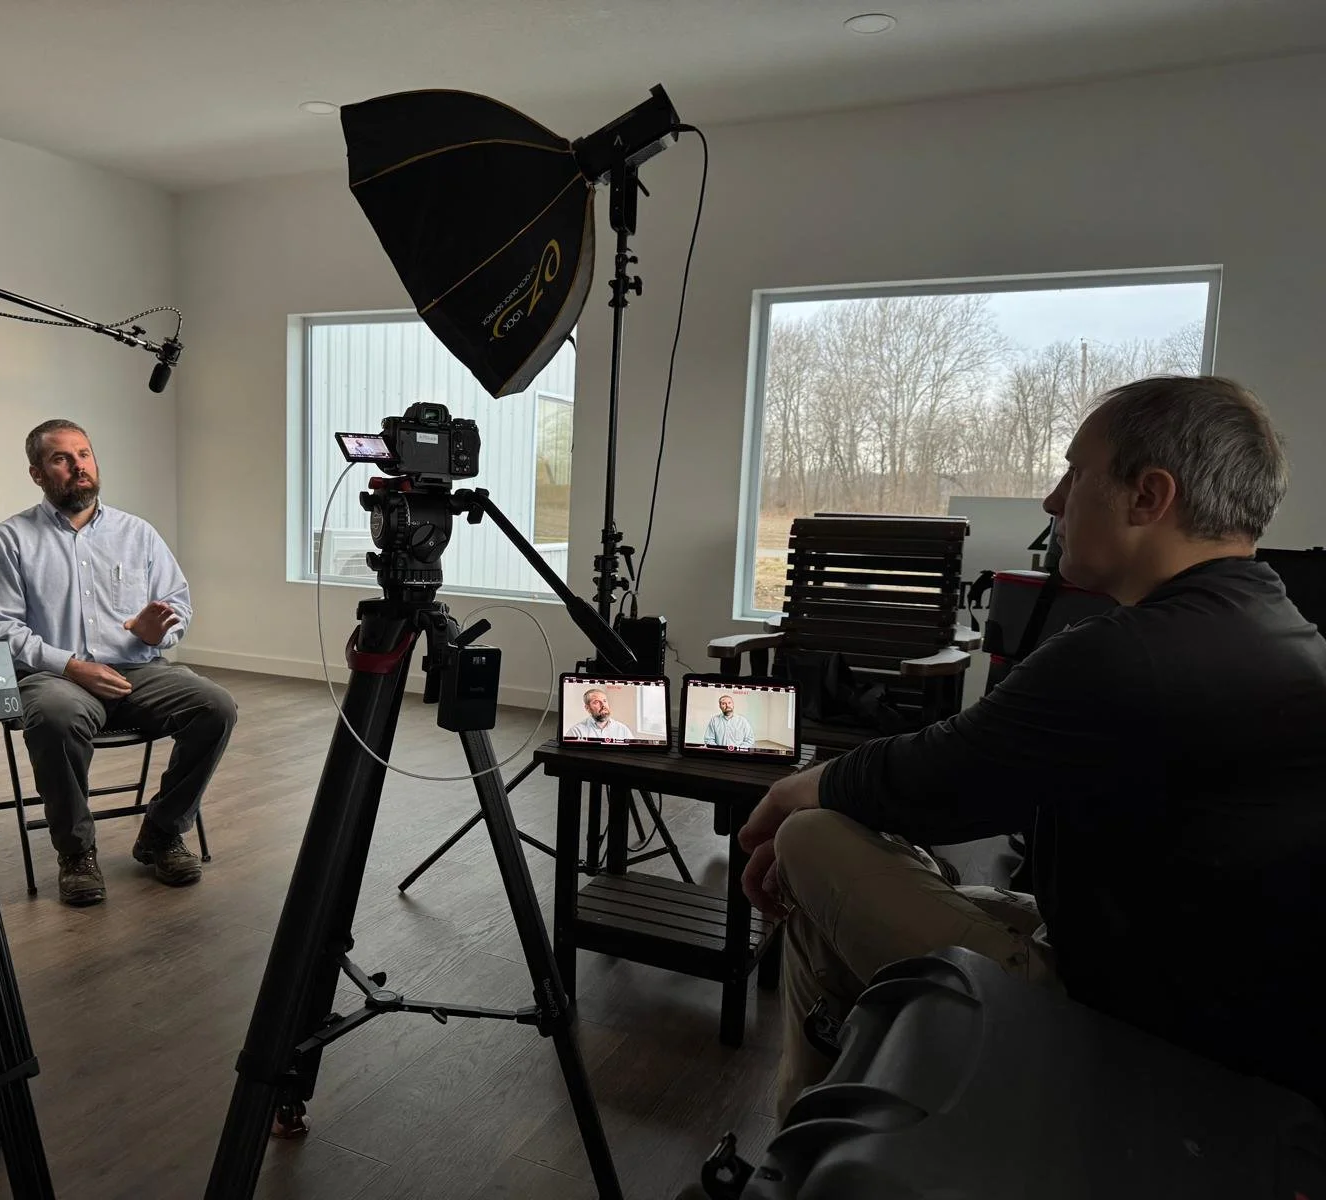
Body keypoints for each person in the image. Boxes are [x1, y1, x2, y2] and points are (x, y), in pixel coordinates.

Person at [739, 375, 1326, 1119]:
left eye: (1075, 474)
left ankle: (810, 1135)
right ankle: (828, 1134)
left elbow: (933, 782)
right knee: (831, 896)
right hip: (1191, 992)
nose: (1053, 501)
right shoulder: (1280, 630)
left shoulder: (1130, 654)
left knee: (811, 836)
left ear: (1148, 496)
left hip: (1130, 1032)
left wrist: (797, 789)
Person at [0, 419, 238, 906]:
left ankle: (162, 832)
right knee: (55, 715)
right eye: (61, 458)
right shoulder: (11, 539)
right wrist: (72, 666)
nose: (78, 466)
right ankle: (76, 852)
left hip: (138, 671)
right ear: (37, 474)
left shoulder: (137, 533)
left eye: (84, 454)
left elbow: (177, 604)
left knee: (215, 706)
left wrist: (159, 631)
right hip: (54, 676)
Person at [564, 688, 635, 741]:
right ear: (587, 708)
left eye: (604, 701)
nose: (603, 705)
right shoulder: (576, 732)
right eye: (597, 702)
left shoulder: (623, 729)